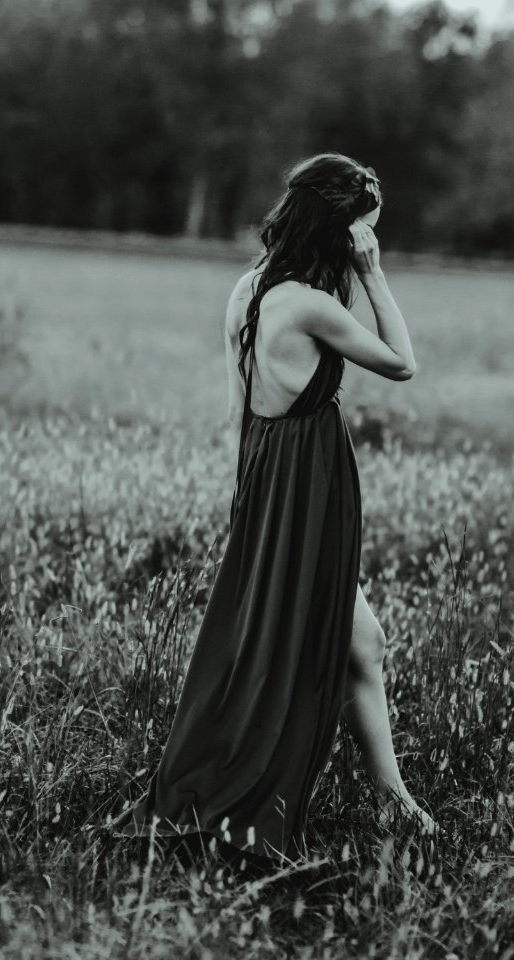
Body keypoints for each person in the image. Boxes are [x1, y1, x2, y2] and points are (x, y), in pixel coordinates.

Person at [111, 152, 437, 869]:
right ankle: (355, 796)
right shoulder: (312, 303)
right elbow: (402, 363)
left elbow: (236, 413)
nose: (366, 244)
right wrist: (375, 274)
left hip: (266, 476)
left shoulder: (248, 290)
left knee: (356, 640)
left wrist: (247, 505)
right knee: (345, 639)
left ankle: (394, 799)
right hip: (306, 484)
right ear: (340, 231)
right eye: (362, 233)